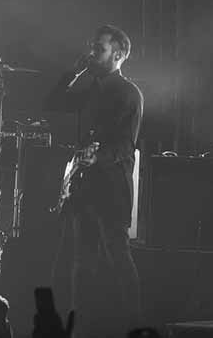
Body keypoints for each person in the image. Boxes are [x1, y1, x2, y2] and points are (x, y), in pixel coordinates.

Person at [43, 25, 143, 336]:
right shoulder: (90, 90)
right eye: (92, 47)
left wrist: (96, 157)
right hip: (85, 187)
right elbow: (53, 104)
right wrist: (72, 73)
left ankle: (136, 324)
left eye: (99, 49)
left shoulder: (128, 93)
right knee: (81, 261)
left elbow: (125, 147)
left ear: (118, 54)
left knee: (117, 256)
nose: (91, 53)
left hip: (112, 187)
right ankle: (80, 327)